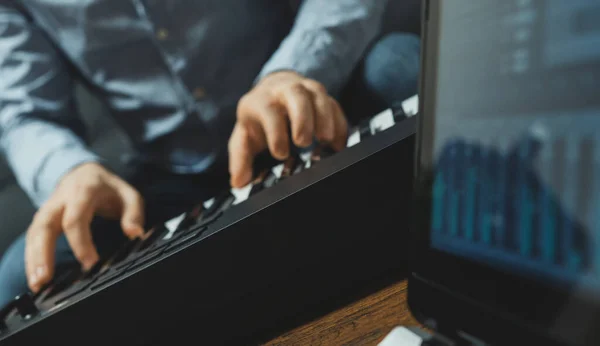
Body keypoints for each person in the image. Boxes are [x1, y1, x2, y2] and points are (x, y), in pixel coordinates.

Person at [0, 0, 420, 306]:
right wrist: (68, 171)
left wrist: (292, 71)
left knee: (401, 66)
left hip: (313, 101)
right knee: (23, 275)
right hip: (170, 178)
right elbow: (24, 111)